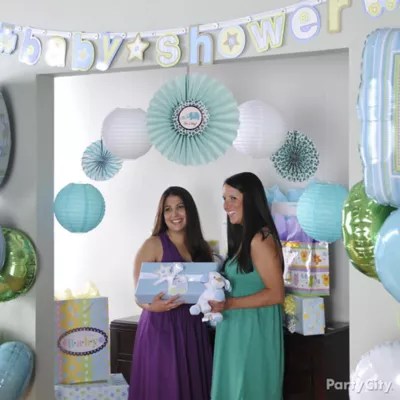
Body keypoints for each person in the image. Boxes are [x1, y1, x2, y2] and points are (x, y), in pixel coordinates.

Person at [129, 186, 213, 400]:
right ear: (162, 214)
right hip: (161, 327)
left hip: (192, 326)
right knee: (165, 388)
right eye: (168, 209)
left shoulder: (201, 247)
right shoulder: (153, 244)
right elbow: (138, 294)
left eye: (180, 207)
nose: (174, 214)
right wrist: (152, 306)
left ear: (189, 210)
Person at [210, 172, 285, 400]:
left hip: (252, 332)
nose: (226, 206)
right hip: (235, 331)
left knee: (247, 390)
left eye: (233, 198)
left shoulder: (259, 240)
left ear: (250, 199)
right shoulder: (244, 240)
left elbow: (276, 294)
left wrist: (230, 303)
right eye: (224, 199)